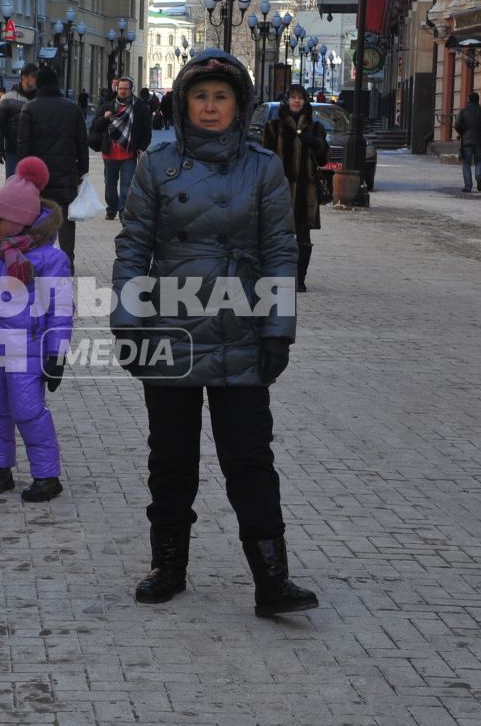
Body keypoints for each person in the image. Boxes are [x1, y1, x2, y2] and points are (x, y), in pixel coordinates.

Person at [111, 48, 317, 617]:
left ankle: (272, 579)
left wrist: (279, 330)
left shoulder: (262, 166)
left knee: (249, 457)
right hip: (169, 329)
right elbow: (133, 248)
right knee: (171, 459)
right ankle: (167, 566)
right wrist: (127, 321)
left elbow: (280, 249)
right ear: (182, 103)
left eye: (220, 97)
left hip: (241, 330)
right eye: (199, 96)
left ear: (238, 104)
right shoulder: (158, 165)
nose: (209, 106)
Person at [0, 156, 70, 503]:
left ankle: (47, 475)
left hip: (27, 348)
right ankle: (0, 470)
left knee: (28, 410)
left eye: (0, 218)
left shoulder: (50, 260)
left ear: (22, 220)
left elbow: (60, 310)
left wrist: (56, 353)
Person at [11, 64, 89, 266]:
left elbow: (23, 145)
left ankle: (38, 261)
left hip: (38, 177)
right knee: (65, 219)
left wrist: (22, 174)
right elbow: (82, 142)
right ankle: (67, 261)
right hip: (66, 173)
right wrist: (82, 170)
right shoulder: (72, 108)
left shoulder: (30, 108)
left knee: (37, 217)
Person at [260, 84, 330, 292]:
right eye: (293, 97)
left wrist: (316, 143)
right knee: (277, 237)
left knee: (304, 238)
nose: (297, 101)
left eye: (300, 98)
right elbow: (265, 160)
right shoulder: (273, 127)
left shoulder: (315, 128)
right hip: (280, 192)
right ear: (286, 101)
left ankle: (300, 279)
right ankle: (277, 277)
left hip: (306, 194)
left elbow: (324, 160)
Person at [94, 77, 151, 220]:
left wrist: (141, 147)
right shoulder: (109, 106)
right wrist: (104, 118)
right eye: (120, 88)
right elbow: (95, 125)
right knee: (110, 186)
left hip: (129, 153)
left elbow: (146, 130)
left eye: (126, 89)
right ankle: (111, 208)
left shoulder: (139, 107)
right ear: (117, 89)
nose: (123, 91)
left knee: (127, 185)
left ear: (131, 90)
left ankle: (123, 212)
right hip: (110, 153)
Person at [0, 63, 39, 178]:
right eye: (34, 76)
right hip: (13, 150)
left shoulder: (40, 99)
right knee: (13, 185)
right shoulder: (8, 98)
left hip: (36, 151)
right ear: (24, 77)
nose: (36, 79)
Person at [455, 90, 481, 193]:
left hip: (466, 140)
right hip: (480, 140)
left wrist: (462, 132)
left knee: (466, 163)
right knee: (479, 161)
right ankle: (479, 178)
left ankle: (468, 186)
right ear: (478, 100)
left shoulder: (463, 111)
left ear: (468, 100)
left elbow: (457, 125)